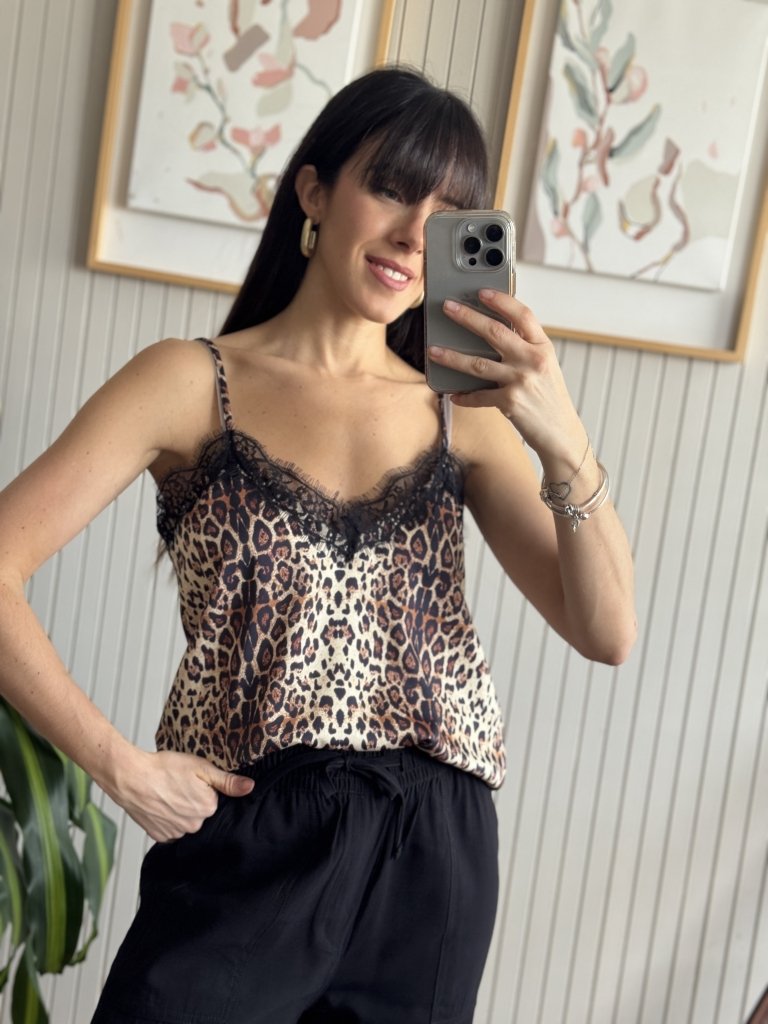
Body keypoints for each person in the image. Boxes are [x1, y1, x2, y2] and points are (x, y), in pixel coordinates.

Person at [0, 67, 636, 1023]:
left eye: (448, 214)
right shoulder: (189, 382)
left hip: (432, 855)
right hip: (251, 835)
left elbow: (609, 631)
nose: (414, 235)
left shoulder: (461, 415)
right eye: (392, 188)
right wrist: (117, 766)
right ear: (314, 190)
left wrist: (562, 433)